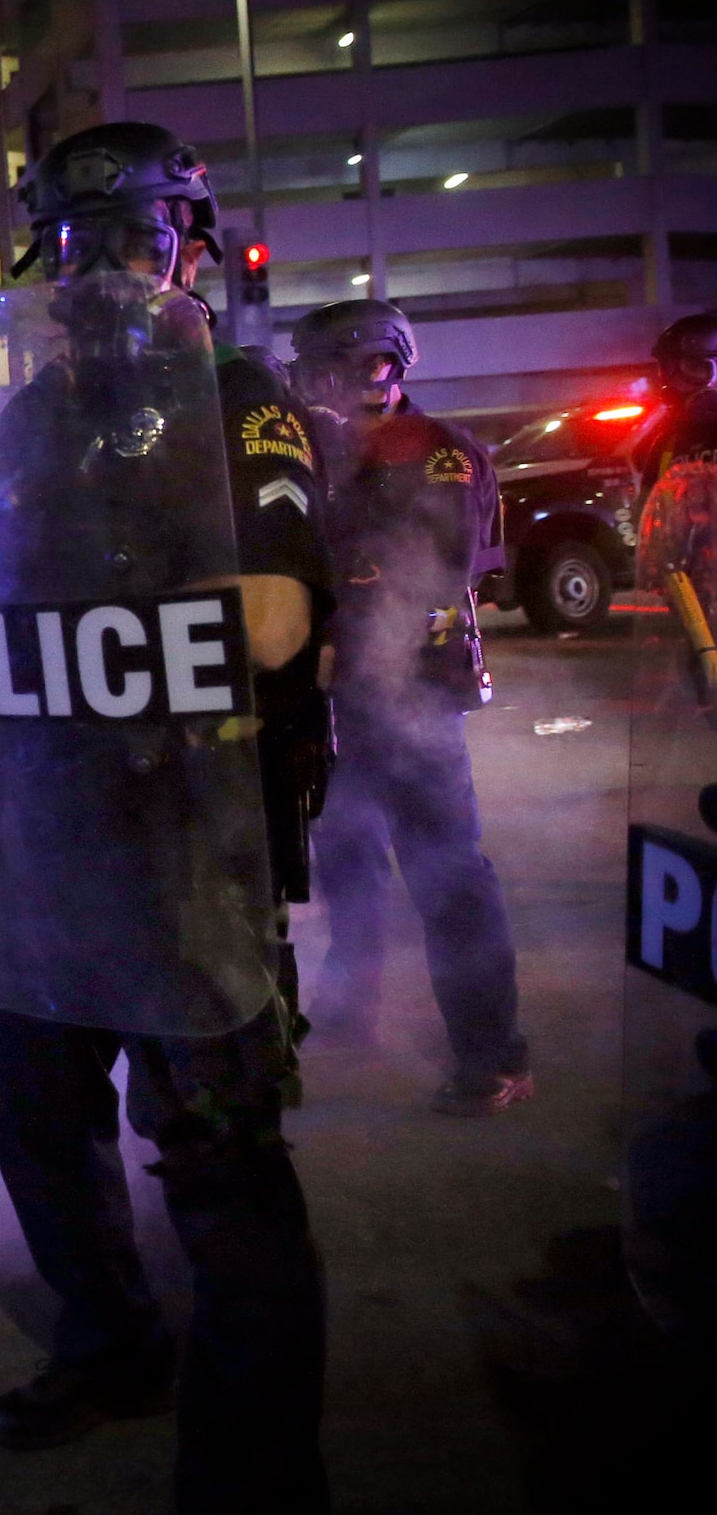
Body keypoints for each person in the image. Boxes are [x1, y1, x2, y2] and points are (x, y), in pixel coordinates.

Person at [0, 123, 336, 1508]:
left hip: (191, 837)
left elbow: (273, 623)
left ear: (188, 243)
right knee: (27, 1091)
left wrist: (124, 635)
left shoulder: (242, 399)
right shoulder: (32, 420)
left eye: (132, 239)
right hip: (47, 821)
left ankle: (255, 1471)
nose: (104, 272)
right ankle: (112, 1340)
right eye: (79, 245)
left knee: (221, 1166)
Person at [288, 299, 530, 1115]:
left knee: (447, 872)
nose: (341, 389)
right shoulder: (317, 453)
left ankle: (493, 1054)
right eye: (323, 373)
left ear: (392, 365)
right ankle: (352, 1009)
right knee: (347, 857)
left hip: (415, 695)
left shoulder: (441, 455)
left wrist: (336, 625)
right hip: (335, 698)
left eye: (359, 367)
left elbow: (432, 569)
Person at [632, 310, 717, 496]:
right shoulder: (667, 443)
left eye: (695, 368)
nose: (674, 382)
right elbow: (648, 512)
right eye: (666, 369)